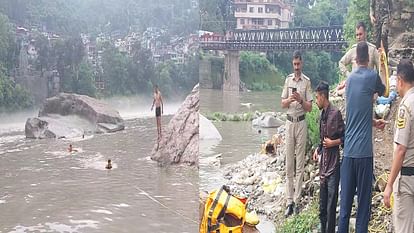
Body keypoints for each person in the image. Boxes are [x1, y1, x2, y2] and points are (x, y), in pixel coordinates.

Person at [338, 41, 386, 233]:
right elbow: (383, 91)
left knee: (344, 210)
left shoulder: (349, 81)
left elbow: (356, 112)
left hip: (348, 154)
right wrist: (382, 63)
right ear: (369, 58)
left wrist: (372, 121)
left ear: (356, 59)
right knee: (363, 210)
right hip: (365, 154)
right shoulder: (372, 76)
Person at [280, 50, 313, 217]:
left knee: (300, 164)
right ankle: (289, 200)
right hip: (289, 122)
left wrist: (300, 100)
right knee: (289, 164)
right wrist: (290, 100)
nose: (297, 67)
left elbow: (310, 107)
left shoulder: (306, 82)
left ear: (302, 63)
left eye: (299, 64)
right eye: (294, 64)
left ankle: (297, 199)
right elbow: (282, 104)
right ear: (292, 64)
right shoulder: (288, 80)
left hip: (301, 122)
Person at [383, 59, 414, 233]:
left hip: (407, 179)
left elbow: (401, 149)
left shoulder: (405, 107)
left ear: (400, 81)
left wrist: (389, 184)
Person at [312, 82, 345, 233]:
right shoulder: (322, 114)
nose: (316, 100)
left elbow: (345, 138)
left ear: (323, 96)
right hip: (323, 168)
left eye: (317, 97)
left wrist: (333, 143)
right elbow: (321, 139)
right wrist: (317, 150)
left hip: (333, 167)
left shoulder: (335, 113)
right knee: (322, 206)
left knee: (332, 207)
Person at [337, 22, 380, 95]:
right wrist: (348, 75)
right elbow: (341, 63)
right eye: (357, 35)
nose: (358, 37)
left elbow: (380, 68)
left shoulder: (372, 50)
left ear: (365, 33)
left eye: (360, 34)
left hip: (368, 87)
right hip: (355, 86)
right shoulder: (353, 50)